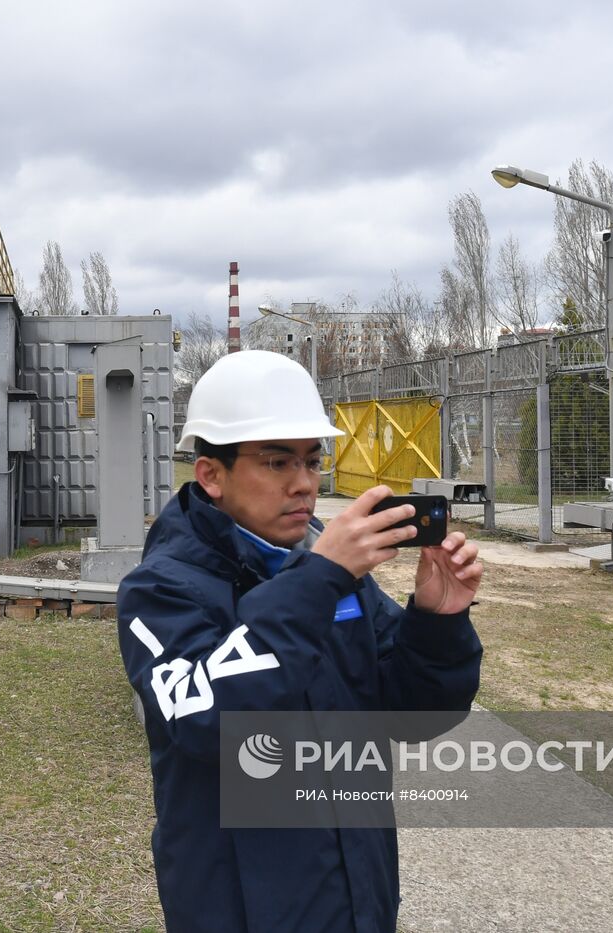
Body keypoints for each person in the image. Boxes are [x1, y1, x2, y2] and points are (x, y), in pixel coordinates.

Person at [117, 350, 483, 933]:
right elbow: (206, 722)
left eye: (312, 462)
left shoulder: (327, 573)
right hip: (240, 907)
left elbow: (414, 714)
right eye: (276, 462)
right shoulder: (159, 590)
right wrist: (318, 580)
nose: (305, 485)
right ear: (211, 474)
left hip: (356, 898)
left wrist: (437, 623)